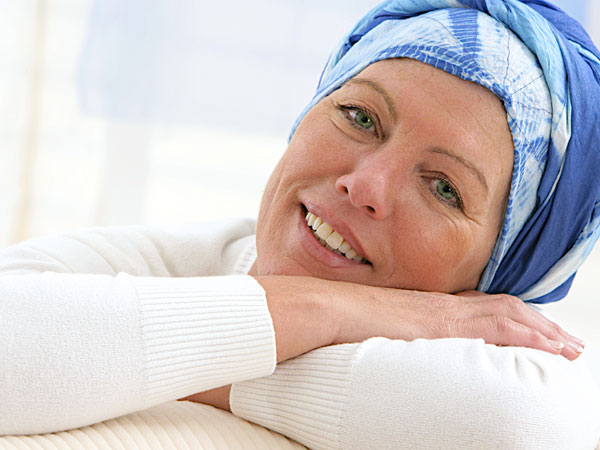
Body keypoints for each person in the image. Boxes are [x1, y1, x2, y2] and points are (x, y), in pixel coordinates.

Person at [1, 0, 600, 448]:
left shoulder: (511, 360)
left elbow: (521, 427)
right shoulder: (211, 254)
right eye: (360, 116)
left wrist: (151, 358)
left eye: (444, 188)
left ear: (503, 269)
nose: (365, 185)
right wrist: (329, 309)